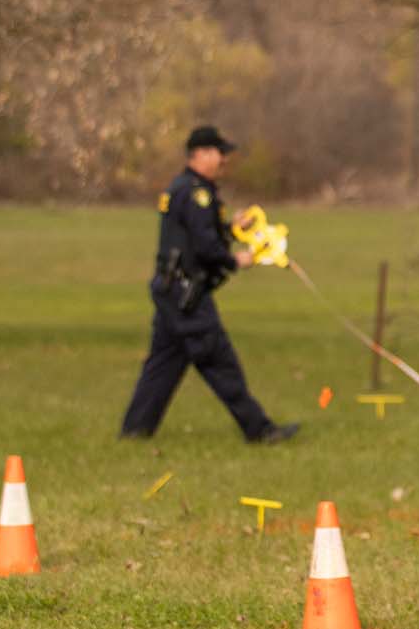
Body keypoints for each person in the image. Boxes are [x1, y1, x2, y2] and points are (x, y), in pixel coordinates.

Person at [120, 125, 299, 444]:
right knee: (219, 362)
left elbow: (196, 237)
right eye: (219, 153)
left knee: (163, 365)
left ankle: (134, 432)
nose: (224, 159)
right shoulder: (195, 193)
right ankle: (260, 431)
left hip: (172, 293)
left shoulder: (190, 188)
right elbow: (205, 247)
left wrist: (232, 228)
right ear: (200, 154)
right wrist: (236, 260)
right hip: (187, 298)